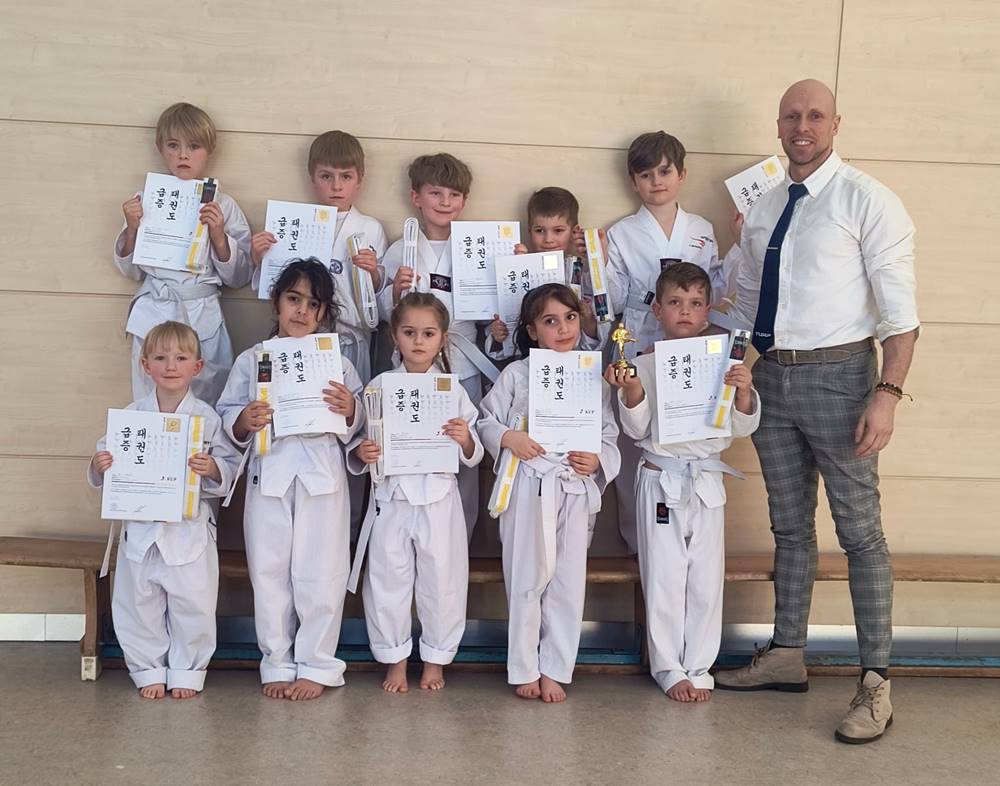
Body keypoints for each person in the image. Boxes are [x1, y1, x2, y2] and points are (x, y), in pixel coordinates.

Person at [714, 79, 918, 745]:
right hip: (771, 379)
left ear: (835, 123)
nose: (802, 126)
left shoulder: (869, 200)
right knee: (790, 526)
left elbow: (901, 317)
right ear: (778, 126)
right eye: (791, 116)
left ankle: (876, 681)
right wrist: (720, 355)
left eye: (815, 115)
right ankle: (786, 653)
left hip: (842, 379)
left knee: (861, 533)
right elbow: (749, 300)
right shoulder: (767, 205)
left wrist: (886, 396)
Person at [605, 264, 759, 701]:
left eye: (695, 303)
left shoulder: (725, 362)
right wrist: (632, 390)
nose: (685, 311)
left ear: (708, 309)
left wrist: (742, 391)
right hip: (661, 476)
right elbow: (636, 429)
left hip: (706, 478)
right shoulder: (642, 362)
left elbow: (741, 427)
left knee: (705, 578)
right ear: (657, 309)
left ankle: (699, 664)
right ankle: (669, 666)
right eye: (675, 302)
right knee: (664, 576)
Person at [216, 258, 364, 701]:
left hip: (322, 474)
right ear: (277, 303)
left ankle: (317, 664)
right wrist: (244, 420)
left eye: (312, 304)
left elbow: (362, 423)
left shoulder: (338, 362)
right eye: (293, 299)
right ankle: (277, 661)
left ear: (324, 313)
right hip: (270, 471)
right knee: (269, 572)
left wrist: (351, 410)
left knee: (322, 572)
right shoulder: (252, 360)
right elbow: (227, 416)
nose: (301, 310)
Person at [479, 284, 620, 702]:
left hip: (572, 486)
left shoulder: (592, 375)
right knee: (525, 577)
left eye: (570, 318)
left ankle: (555, 667)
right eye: (550, 321)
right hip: (527, 482)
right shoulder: (516, 374)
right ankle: (524, 666)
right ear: (532, 330)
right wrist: (509, 438)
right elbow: (485, 421)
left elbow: (609, 433)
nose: (563, 329)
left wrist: (597, 460)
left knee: (567, 580)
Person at [88, 321, 240, 699]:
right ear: (145, 365)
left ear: (197, 367)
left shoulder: (207, 419)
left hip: (189, 530)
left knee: (193, 602)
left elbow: (229, 470)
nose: (171, 366)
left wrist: (213, 468)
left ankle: (188, 671)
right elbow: (105, 462)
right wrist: (100, 465)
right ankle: (148, 669)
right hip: (141, 528)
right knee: (138, 602)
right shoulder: (132, 416)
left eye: (181, 358)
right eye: (160, 358)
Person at [348, 292, 483, 693]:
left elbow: (474, 451)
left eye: (428, 333)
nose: (418, 341)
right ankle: (395, 659)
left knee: (442, 581)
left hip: (439, 496)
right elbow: (361, 439)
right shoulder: (379, 386)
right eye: (409, 333)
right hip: (391, 497)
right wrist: (364, 452)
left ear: (443, 338)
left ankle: (435, 659)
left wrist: (464, 439)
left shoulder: (452, 390)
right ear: (395, 336)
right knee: (387, 580)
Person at [378, 153, 509, 540]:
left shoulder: (481, 247)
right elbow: (385, 316)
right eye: (436, 193)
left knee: (460, 445)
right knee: (410, 444)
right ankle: (405, 531)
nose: (445, 202)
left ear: (465, 200)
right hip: (413, 363)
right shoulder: (400, 249)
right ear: (416, 197)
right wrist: (394, 293)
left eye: (454, 194)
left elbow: (494, 312)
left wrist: (515, 270)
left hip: (463, 362)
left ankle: (457, 538)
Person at [114, 102, 252, 404]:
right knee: (151, 400)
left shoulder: (223, 205)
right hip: (155, 309)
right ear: (160, 148)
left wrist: (218, 236)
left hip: (201, 311)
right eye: (173, 145)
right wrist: (132, 229)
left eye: (194, 146)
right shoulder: (144, 200)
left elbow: (241, 276)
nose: (183, 155)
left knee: (209, 399)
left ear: (209, 150)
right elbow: (130, 270)